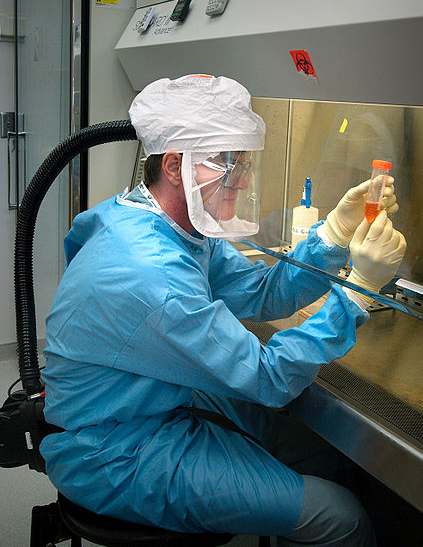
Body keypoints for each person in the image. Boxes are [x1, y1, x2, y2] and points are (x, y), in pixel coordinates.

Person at [40, 74, 406, 546]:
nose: (243, 179)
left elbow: (260, 291)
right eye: (228, 162)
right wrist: (357, 294)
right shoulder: (152, 274)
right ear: (174, 165)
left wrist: (334, 232)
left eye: (245, 162)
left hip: (147, 402)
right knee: (341, 517)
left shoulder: (159, 223)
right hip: (113, 451)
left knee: (305, 446)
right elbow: (269, 380)